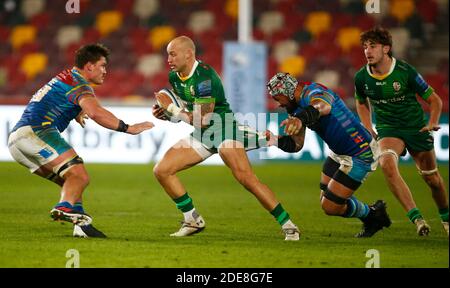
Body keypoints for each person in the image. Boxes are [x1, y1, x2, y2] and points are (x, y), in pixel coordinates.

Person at [152, 36, 300, 240]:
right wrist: (169, 116)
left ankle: (288, 225)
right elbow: (188, 110)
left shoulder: (205, 77)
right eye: (168, 53)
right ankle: (192, 219)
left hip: (224, 129)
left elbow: (202, 119)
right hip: (204, 134)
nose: (168, 58)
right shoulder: (175, 77)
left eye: (173, 53)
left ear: (189, 54)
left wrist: (173, 111)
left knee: (246, 179)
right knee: (162, 170)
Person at [8, 44, 154, 238]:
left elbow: (61, 101)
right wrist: (128, 128)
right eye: (102, 65)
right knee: (80, 176)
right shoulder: (79, 85)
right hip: (37, 131)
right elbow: (96, 112)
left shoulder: (67, 77)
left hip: (17, 141)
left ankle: (81, 227)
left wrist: (76, 111)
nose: (105, 70)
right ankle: (63, 208)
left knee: (70, 181)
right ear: (89, 66)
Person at [266, 72, 391, 238]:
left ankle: (373, 214)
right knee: (327, 199)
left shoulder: (314, 92)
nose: (279, 104)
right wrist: (274, 140)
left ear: (287, 92)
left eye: (278, 98)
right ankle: (373, 214)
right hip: (339, 152)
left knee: (330, 206)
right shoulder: (296, 110)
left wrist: (301, 119)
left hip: (360, 153)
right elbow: (296, 145)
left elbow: (324, 107)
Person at [354, 27, 449, 236]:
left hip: (416, 128)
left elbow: (435, 100)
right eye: (365, 47)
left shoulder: (405, 72)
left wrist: (432, 122)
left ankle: (446, 218)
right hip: (389, 129)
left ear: (386, 48)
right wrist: (368, 127)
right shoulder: (362, 77)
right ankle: (417, 219)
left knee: (432, 180)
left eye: (373, 46)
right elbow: (361, 103)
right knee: (386, 162)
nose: (367, 51)